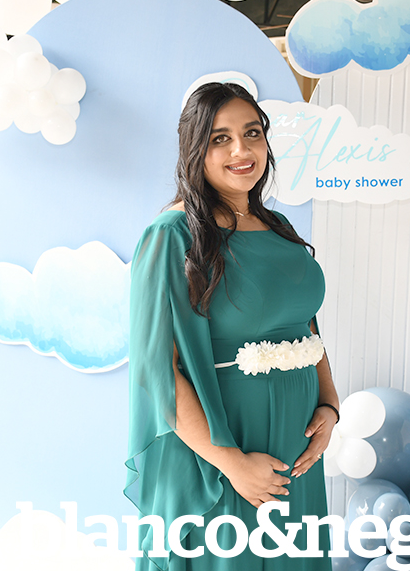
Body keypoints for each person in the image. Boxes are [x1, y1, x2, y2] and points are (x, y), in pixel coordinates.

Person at [125, 81, 340, 570]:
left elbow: (305, 328)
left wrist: (329, 406)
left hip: (297, 448)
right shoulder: (172, 234)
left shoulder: (279, 228)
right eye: (220, 138)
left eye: (252, 133)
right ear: (194, 148)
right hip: (222, 451)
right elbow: (156, 371)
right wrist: (232, 464)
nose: (241, 151)